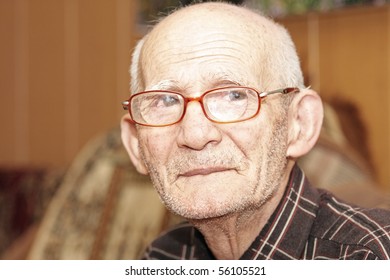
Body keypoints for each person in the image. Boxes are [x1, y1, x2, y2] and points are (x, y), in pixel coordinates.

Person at [120, 2, 390, 260]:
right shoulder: (164, 257)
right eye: (165, 100)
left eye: (234, 95)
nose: (195, 135)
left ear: (300, 124)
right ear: (135, 145)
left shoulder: (371, 256)